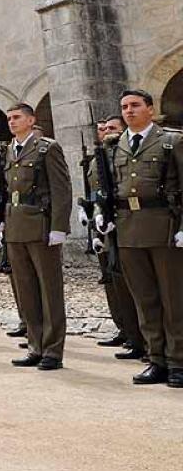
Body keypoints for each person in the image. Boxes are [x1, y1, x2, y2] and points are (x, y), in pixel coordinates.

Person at [105, 89, 183, 387]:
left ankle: (178, 362)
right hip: (128, 227)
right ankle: (157, 359)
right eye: (124, 107)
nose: (129, 111)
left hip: (164, 226)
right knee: (145, 299)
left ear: (150, 109)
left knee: (173, 299)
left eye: (135, 105)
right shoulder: (117, 145)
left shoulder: (172, 141)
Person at [1, 103, 71, 371]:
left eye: (17, 117)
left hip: (41, 225)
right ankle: (35, 345)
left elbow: (61, 189)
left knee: (49, 290)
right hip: (16, 226)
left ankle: (53, 350)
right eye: (9, 118)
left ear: (31, 120)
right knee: (26, 290)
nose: (12, 122)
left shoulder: (47, 148)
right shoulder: (10, 150)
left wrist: (59, 227)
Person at [91, 114, 146, 361]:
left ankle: (143, 339)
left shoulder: (120, 153)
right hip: (104, 224)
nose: (105, 132)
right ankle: (128, 332)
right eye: (102, 129)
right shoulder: (99, 156)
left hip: (128, 224)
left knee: (134, 285)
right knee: (113, 282)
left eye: (111, 128)